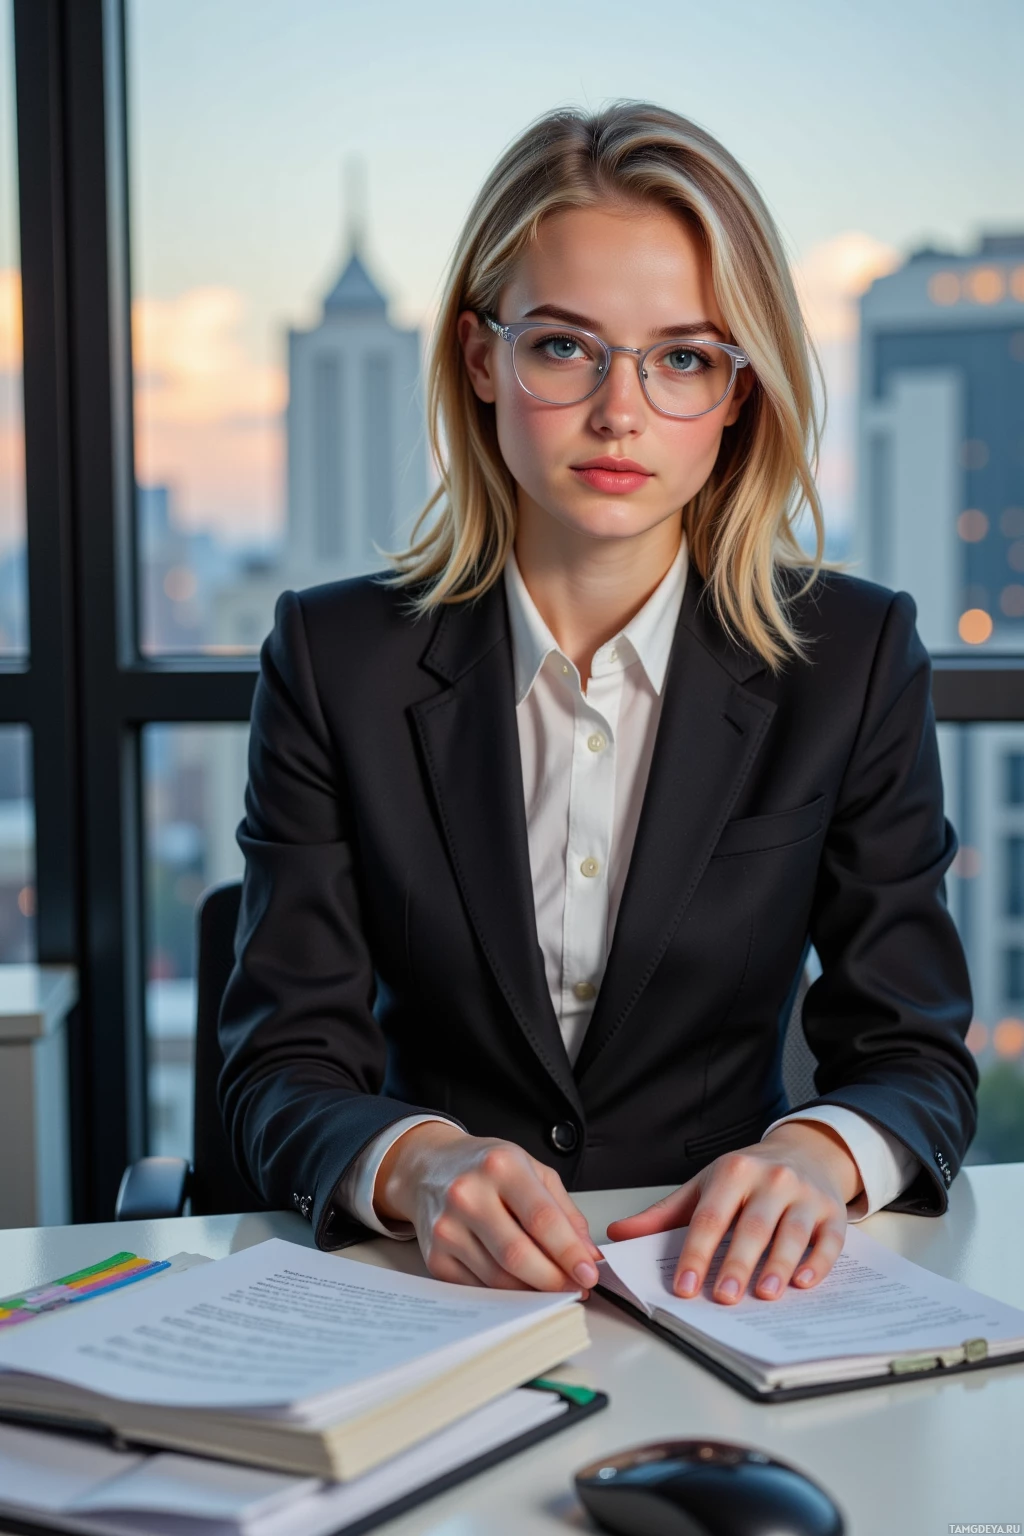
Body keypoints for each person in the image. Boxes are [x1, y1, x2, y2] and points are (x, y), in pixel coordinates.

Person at [218, 102, 977, 1308]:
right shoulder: (333, 656)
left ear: (738, 393)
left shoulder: (852, 655)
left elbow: (914, 1056)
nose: (621, 412)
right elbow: (281, 1068)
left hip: (729, 1290)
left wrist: (814, 1155)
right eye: (565, 347)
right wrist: (417, 1168)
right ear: (483, 359)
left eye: (682, 357)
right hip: (425, 1291)